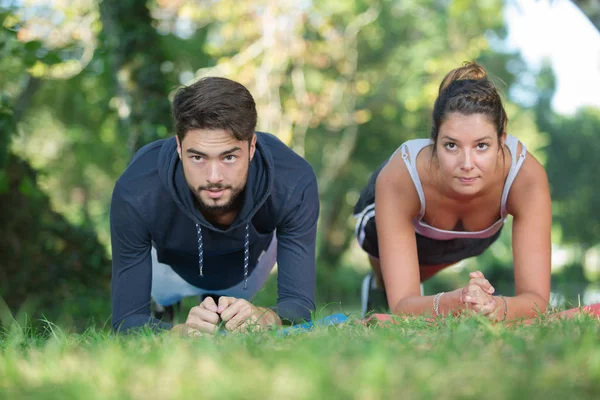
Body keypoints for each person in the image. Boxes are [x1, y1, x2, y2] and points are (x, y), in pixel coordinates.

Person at [110, 77, 319, 334]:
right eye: (197, 157)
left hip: (245, 268)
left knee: (229, 313)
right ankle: (164, 307)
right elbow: (126, 320)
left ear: (252, 146)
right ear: (178, 146)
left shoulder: (293, 180)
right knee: (159, 312)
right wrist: (178, 333)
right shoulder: (137, 189)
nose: (214, 177)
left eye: (229, 157)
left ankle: (221, 308)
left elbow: (300, 305)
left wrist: (264, 317)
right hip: (168, 271)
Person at [353, 62, 551, 321]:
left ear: (502, 140)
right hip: (385, 219)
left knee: (416, 296)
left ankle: (401, 287)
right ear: (434, 141)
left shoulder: (526, 178)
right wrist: (454, 301)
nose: (467, 164)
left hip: (472, 239)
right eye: (451, 145)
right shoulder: (400, 178)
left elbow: (536, 300)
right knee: (399, 304)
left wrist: (493, 306)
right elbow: (403, 305)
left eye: (481, 146)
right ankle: (380, 285)